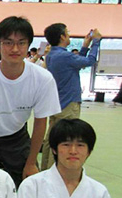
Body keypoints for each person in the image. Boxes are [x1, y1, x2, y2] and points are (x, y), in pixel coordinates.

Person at [0, 16, 61, 187]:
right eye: (8, 42)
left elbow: (41, 123)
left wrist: (31, 163)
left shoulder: (42, 79)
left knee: (30, 187)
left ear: (28, 45)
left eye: (21, 43)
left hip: (18, 138)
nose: (15, 49)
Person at [41, 23, 102, 169]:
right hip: (68, 103)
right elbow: (89, 61)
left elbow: (77, 64)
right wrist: (96, 42)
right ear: (62, 36)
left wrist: (85, 46)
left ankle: (45, 168)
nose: (69, 35)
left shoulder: (51, 55)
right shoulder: (64, 56)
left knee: (52, 138)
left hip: (57, 102)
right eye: (67, 33)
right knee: (65, 138)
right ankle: (56, 170)